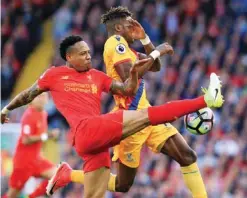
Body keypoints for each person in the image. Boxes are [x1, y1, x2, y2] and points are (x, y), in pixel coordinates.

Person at [1, 35, 223, 198]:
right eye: (83, 53)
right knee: (149, 116)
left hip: (94, 142)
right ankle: (206, 100)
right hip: (87, 130)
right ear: (69, 57)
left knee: (115, 188)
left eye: (89, 52)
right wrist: (6, 109)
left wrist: (138, 69)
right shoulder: (53, 75)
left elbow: (126, 89)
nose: (89, 56)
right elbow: (28, 94)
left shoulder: (96, 76)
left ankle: (67, 174)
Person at [46, 7, 222, 198]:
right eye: (131, 25)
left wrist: (146, 40)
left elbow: (155, 66)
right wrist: (158, 52)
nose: (135, 27)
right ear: (120, 27)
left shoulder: (127, 48)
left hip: (145, 111)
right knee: (123, 185)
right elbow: (129, 76)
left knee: (187, 156)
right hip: (129, 119)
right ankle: (69, 174)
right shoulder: (114, 43)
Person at [2, 93, 59, 198]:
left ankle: (32, 196)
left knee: (58, 176)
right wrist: (47, 136)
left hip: (36, 160)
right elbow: (26, 140)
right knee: (12, 195)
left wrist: (46, 139)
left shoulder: (43, 114)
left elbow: (41, 137)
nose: (42, 99)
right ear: (31, 100)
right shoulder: (28, 115)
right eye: (39, 96)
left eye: (45, 96)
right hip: (23, 162)